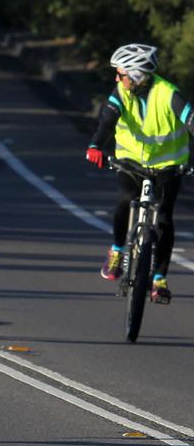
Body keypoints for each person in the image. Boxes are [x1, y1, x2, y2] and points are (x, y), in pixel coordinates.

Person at [85, 44, 194, 303]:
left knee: (165, 216)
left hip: (169, 165)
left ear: (136, 75)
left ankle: (159, 278)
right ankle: (117, 249)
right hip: (131, 160)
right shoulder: (121, 92)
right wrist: (95, 146)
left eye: (121, 73)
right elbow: (107, 121)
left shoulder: (168, 94)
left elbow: (191, 120)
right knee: (125, 199)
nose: (117, 78)